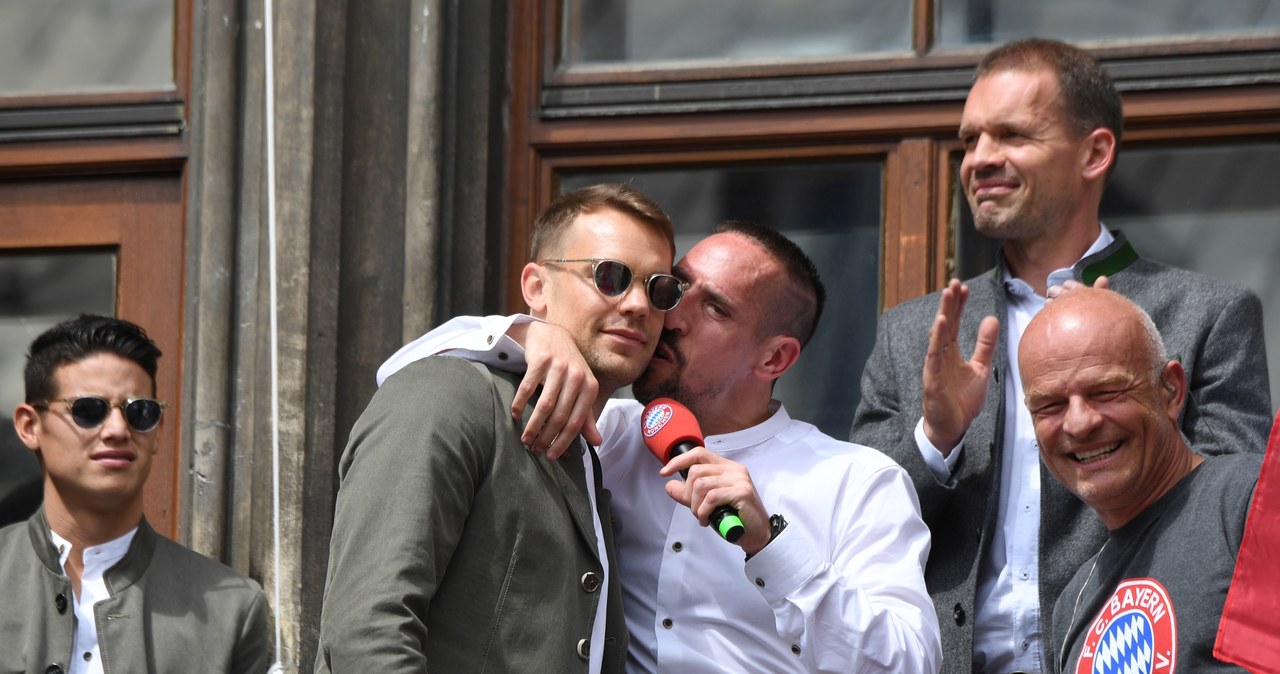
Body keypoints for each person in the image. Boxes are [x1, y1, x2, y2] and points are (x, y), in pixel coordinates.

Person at [849, 37, 1272, 673]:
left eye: (1011, 135)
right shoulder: (914, 335)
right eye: (970, 140)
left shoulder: (1206, 312)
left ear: (1095, 152)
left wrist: (1100, 342)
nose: (979, 159)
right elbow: (860, 531)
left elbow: (1236, 529)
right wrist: (936, 439)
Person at [380, 220, 942, 673]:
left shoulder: (858, 480)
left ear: (774, 359)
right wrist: (530, 333)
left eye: (715, 308)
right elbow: (401, 374)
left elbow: (909, 663)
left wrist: (770, 545)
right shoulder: (605, 432)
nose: (667, 317)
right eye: (673, 289)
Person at [314, 183, 680, 673]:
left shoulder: (591, 447)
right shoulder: (449, 392)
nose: (638, 305)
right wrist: (515, 331)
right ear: (536, 288)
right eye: (610, 276)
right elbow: (366, 630)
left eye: (660, 290)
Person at [0, 314, 267, 673]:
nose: (117, 429)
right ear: (31, 427)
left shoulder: (229, 608)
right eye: (88, 410)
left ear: (157, 434)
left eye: (140, 412)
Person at [1017, 287, 1260, 673]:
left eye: (1105, 392)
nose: (1079, 423)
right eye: (1051, 405)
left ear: (1171, 391)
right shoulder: (1074, 602)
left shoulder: (1252, 502)